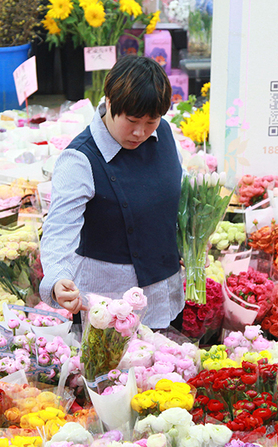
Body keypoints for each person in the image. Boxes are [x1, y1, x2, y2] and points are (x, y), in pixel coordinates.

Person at [39, 55, 184, 328]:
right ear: (109, 102)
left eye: (151, 121)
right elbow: (59, 228)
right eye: (132, 120)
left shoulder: (163, 134)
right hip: (108, 309)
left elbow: (177, 188)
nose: (140, 132)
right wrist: (58, 278)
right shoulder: (80, 159)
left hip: (164, 294)